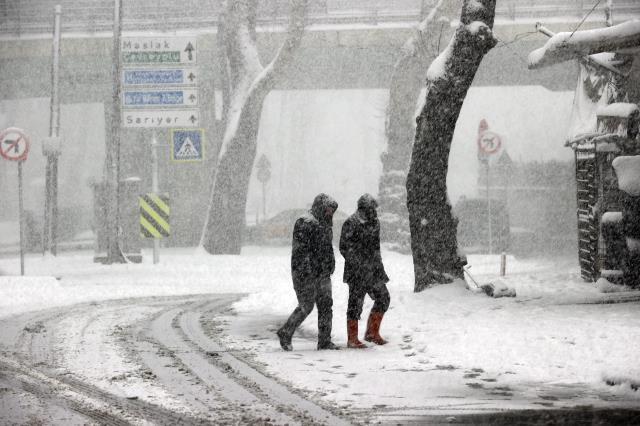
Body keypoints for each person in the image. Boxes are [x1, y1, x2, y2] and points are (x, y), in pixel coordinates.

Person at [276, 193, 340, 351]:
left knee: (326, 305)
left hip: (323, 272)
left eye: (332, 210)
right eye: (328, 209)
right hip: (306, 273)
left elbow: (327, 248)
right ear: (321, 207)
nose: (330, 213)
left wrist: (330, 264)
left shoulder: (325, 224)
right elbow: (300, 252)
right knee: (306, 305)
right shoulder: (305, 222)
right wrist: (306, 272)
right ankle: (285, 331)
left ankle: (324, 341)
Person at [340, 194, 390, 348]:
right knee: (355, 304)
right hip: (357, 273)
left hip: (374, 271)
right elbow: (344, 248)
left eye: (374, 208)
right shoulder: (351, 223)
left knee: (384, 298)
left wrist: (379, 269)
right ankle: (352, 339)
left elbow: (376, 248)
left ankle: (372, 333)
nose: (374, 211)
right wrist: (359, 264)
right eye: (371, 208)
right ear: (363, 208)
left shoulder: (375, 222)